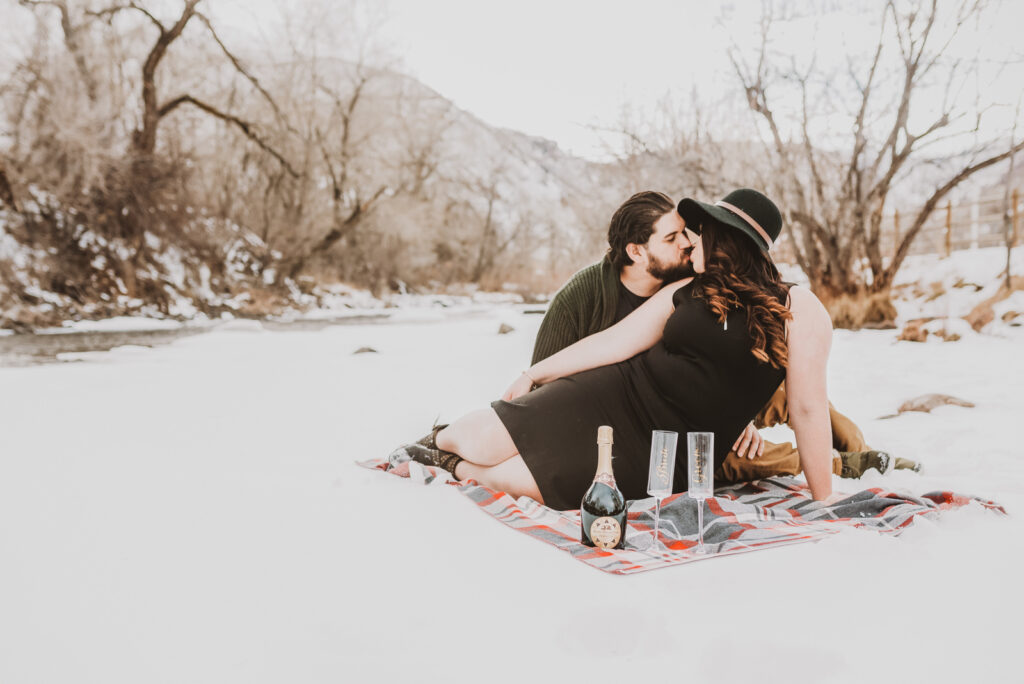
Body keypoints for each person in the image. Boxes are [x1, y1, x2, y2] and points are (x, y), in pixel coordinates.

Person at [391, 189, 844, 508]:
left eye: (698, 231)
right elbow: (615, 342)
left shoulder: (800, 309)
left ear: (728, 239)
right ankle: (440, 441)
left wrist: (823, 500)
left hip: (669, 452)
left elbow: (807, 409)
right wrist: (535, 374)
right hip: (613, 394)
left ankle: (451, 466)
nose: (689, 240)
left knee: (515, 480)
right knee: (481, 438)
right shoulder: (688, 288)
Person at [528, 190, 917, 482]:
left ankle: (862, 449)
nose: (686, 242)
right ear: (636, 251)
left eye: (685, 233)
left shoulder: (687, 275)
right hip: (640, 417)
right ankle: (843, 465)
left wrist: (736, 411)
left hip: (698, 392)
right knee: (744, 457)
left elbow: (714, 352)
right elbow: (545, 379)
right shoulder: (584, 295)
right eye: (672, 238)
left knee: (792, 396)